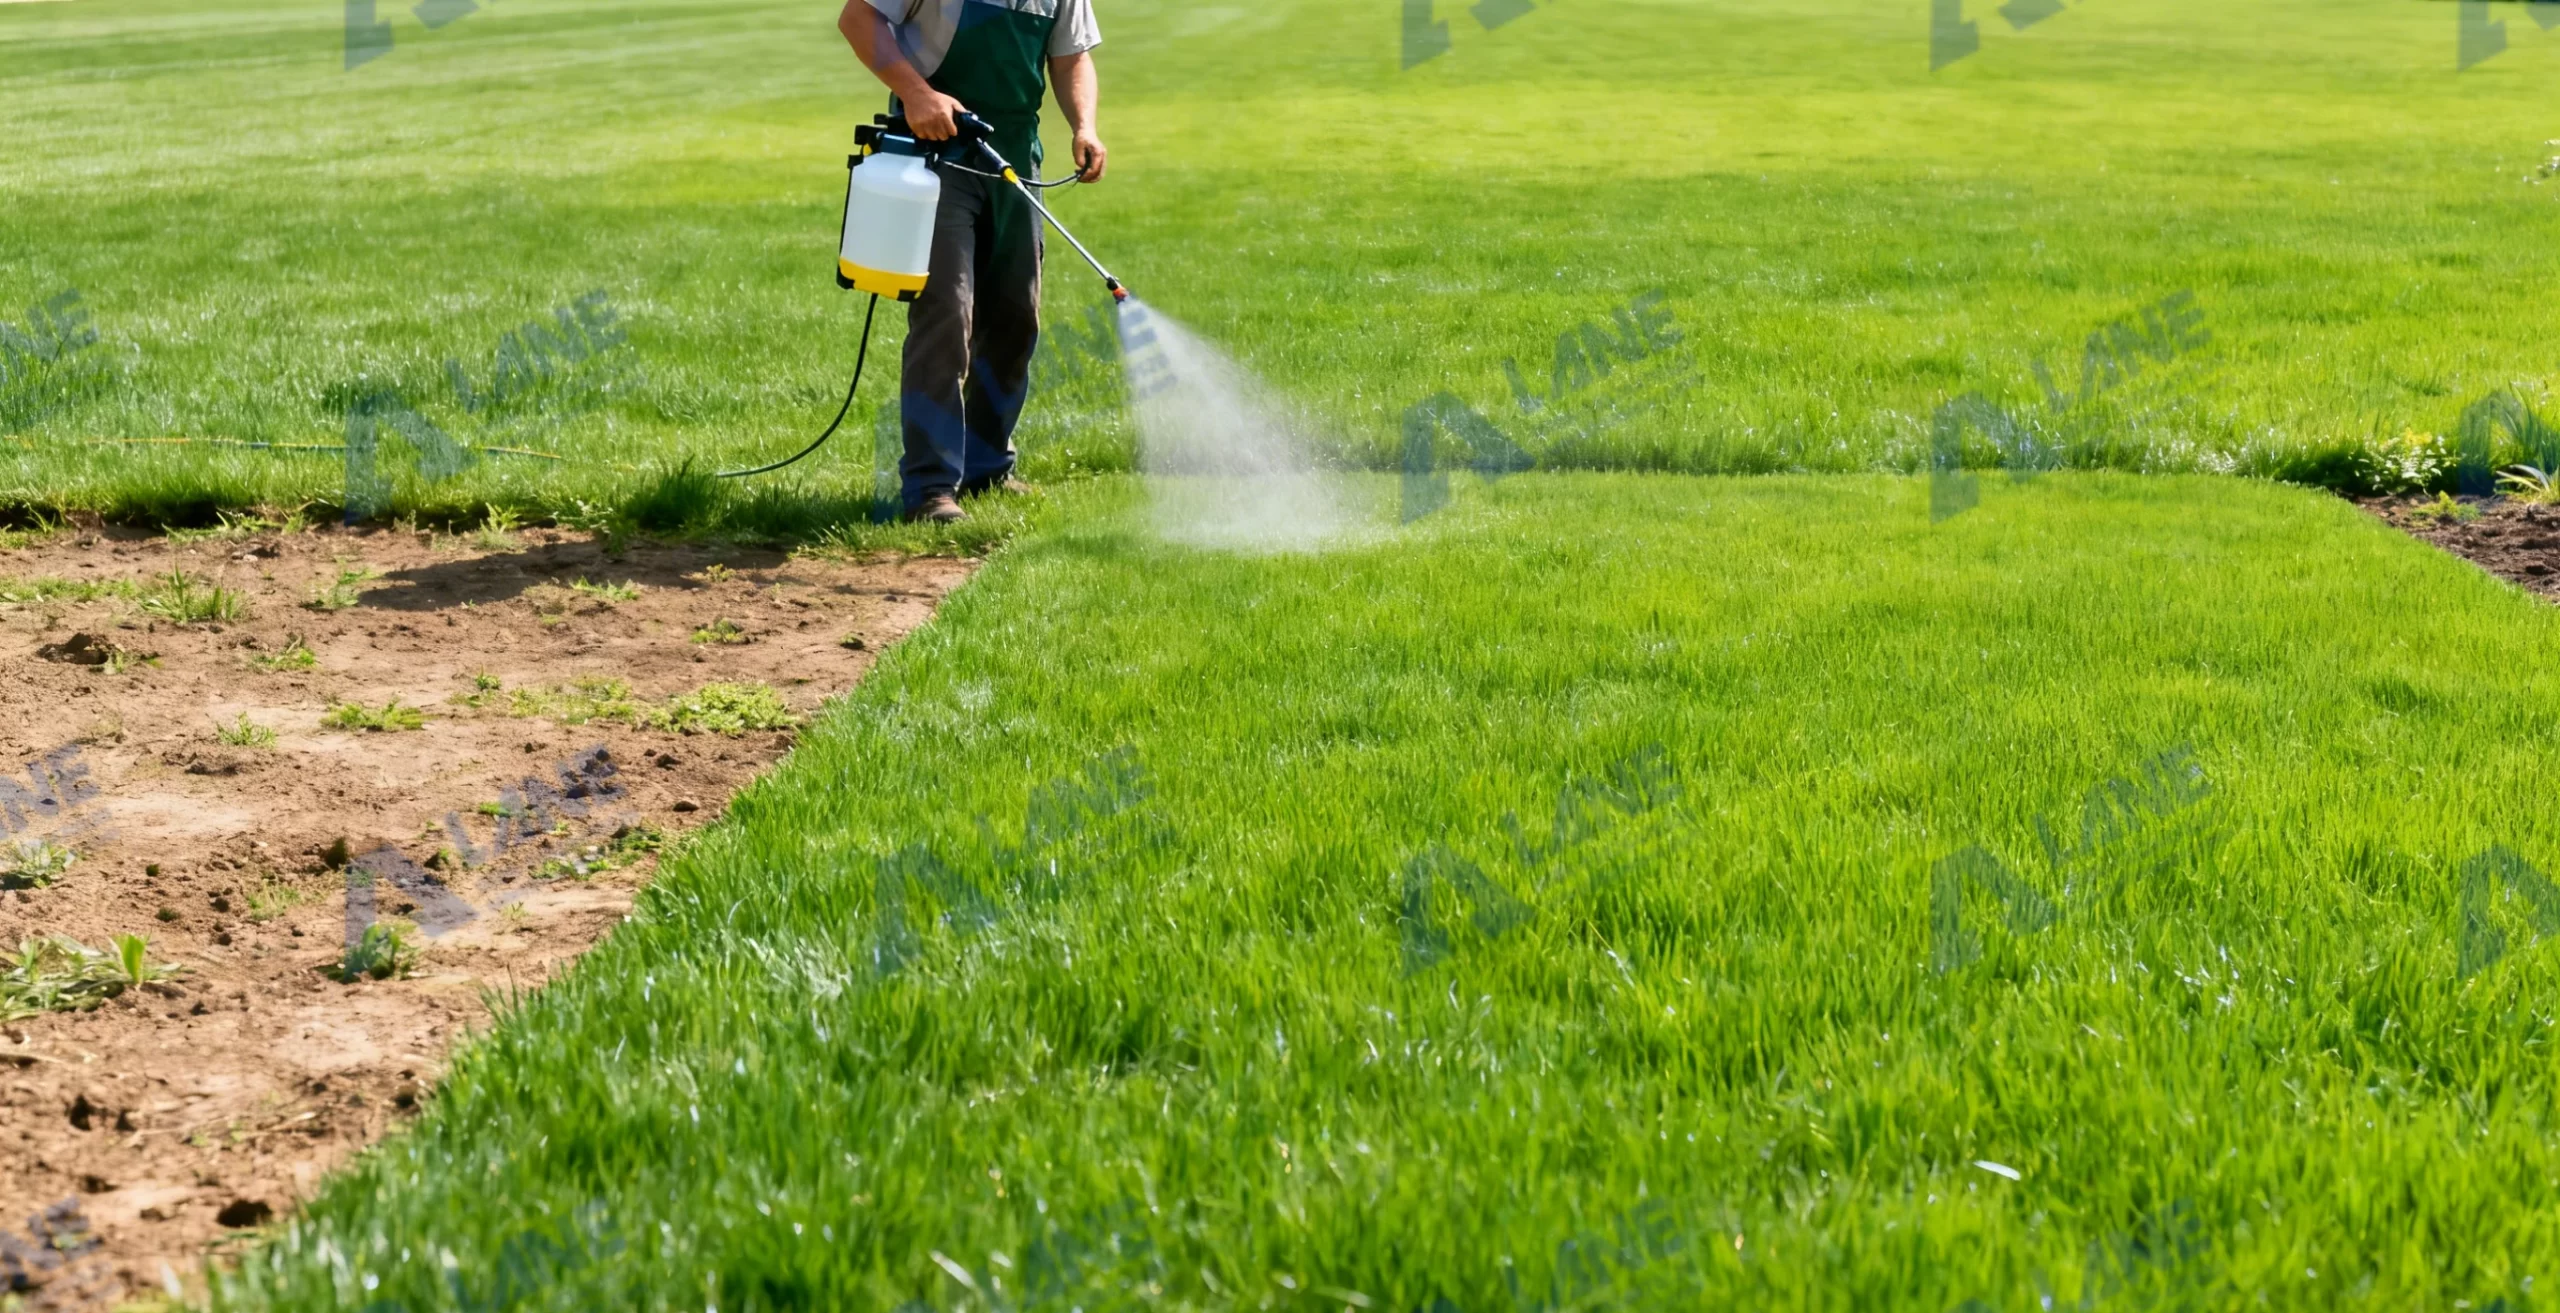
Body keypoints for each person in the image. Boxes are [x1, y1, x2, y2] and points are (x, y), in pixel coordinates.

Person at [839, 0, 1108, 524]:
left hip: (1014, 157)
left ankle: (986, 469)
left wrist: (1084, 126)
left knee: (1014, 318)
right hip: (936, 154)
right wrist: (917, 94)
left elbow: (1072, 55)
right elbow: (857, 18)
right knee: (946, 314)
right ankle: (930, 487)